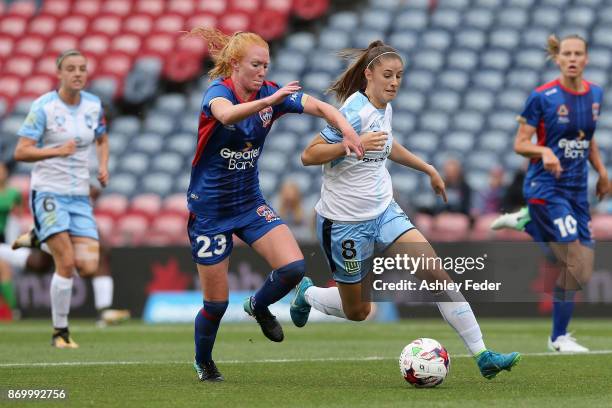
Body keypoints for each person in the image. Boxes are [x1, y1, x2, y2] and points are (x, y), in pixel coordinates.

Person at [290, 40, 520, 379]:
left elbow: (388, 144)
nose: (394, 82)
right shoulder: (353, 110)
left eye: (399, 76)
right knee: (358, 310)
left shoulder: (385, 107)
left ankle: (483, 355)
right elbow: (309, 155)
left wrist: (427, 168)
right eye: (387, 75)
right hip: (344, 222)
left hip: (384, 211)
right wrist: (350, 145)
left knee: (437, 274)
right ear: (369, 74)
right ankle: (307, 293)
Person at [185, 28, 363, 382]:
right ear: (235, 64)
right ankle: (203, 361)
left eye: (266, 65)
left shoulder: (270, 92)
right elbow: (226, 116)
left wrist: (347, 129)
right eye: (256, 64)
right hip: (210, 211)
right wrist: (270, 101)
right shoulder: (219, 92)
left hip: (249, 203)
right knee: (216, 305)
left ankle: (259, 305)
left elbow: (321, 106)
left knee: (294, 268)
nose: (263, 71)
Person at [490, 35, 609, 352]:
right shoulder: (542, 97)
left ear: (586, 58)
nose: (572, 58)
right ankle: (559, 338)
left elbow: (589, 139)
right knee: (573, 259)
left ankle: (528, 224)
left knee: (581, 270)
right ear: (558, 59)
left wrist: (603, 172)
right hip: (546, 187)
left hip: (577, 192)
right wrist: (543, 151)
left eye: (578, 53)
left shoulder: (596, 94)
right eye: (567, 53)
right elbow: (520, 143)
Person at [13, 49, 109, 348]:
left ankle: (38, 234)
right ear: (60, 73)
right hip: (49, 192)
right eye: (71, 68)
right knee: (65, 262)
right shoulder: (43, 107)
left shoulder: (93, 105)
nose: (78, 73)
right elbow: (21, 151)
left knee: (89, 267)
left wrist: (103, 166)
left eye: (82, 68)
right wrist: (56, 150)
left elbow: (102, 138)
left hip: (79, 194)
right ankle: (60, 332)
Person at [9, 184, 130, 327]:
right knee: (51, 261)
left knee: (41, 264)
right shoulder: (57, 174)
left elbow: (93, 190)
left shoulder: (78, 177)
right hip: (55, 213)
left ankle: (104, 311)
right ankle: (36, 240)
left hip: (66, 216)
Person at [0, 162, 22, 318]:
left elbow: (18, 214)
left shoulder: (13, 193)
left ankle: (12, 310)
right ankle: (13, 310)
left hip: (2, 237)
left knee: (5, 269)